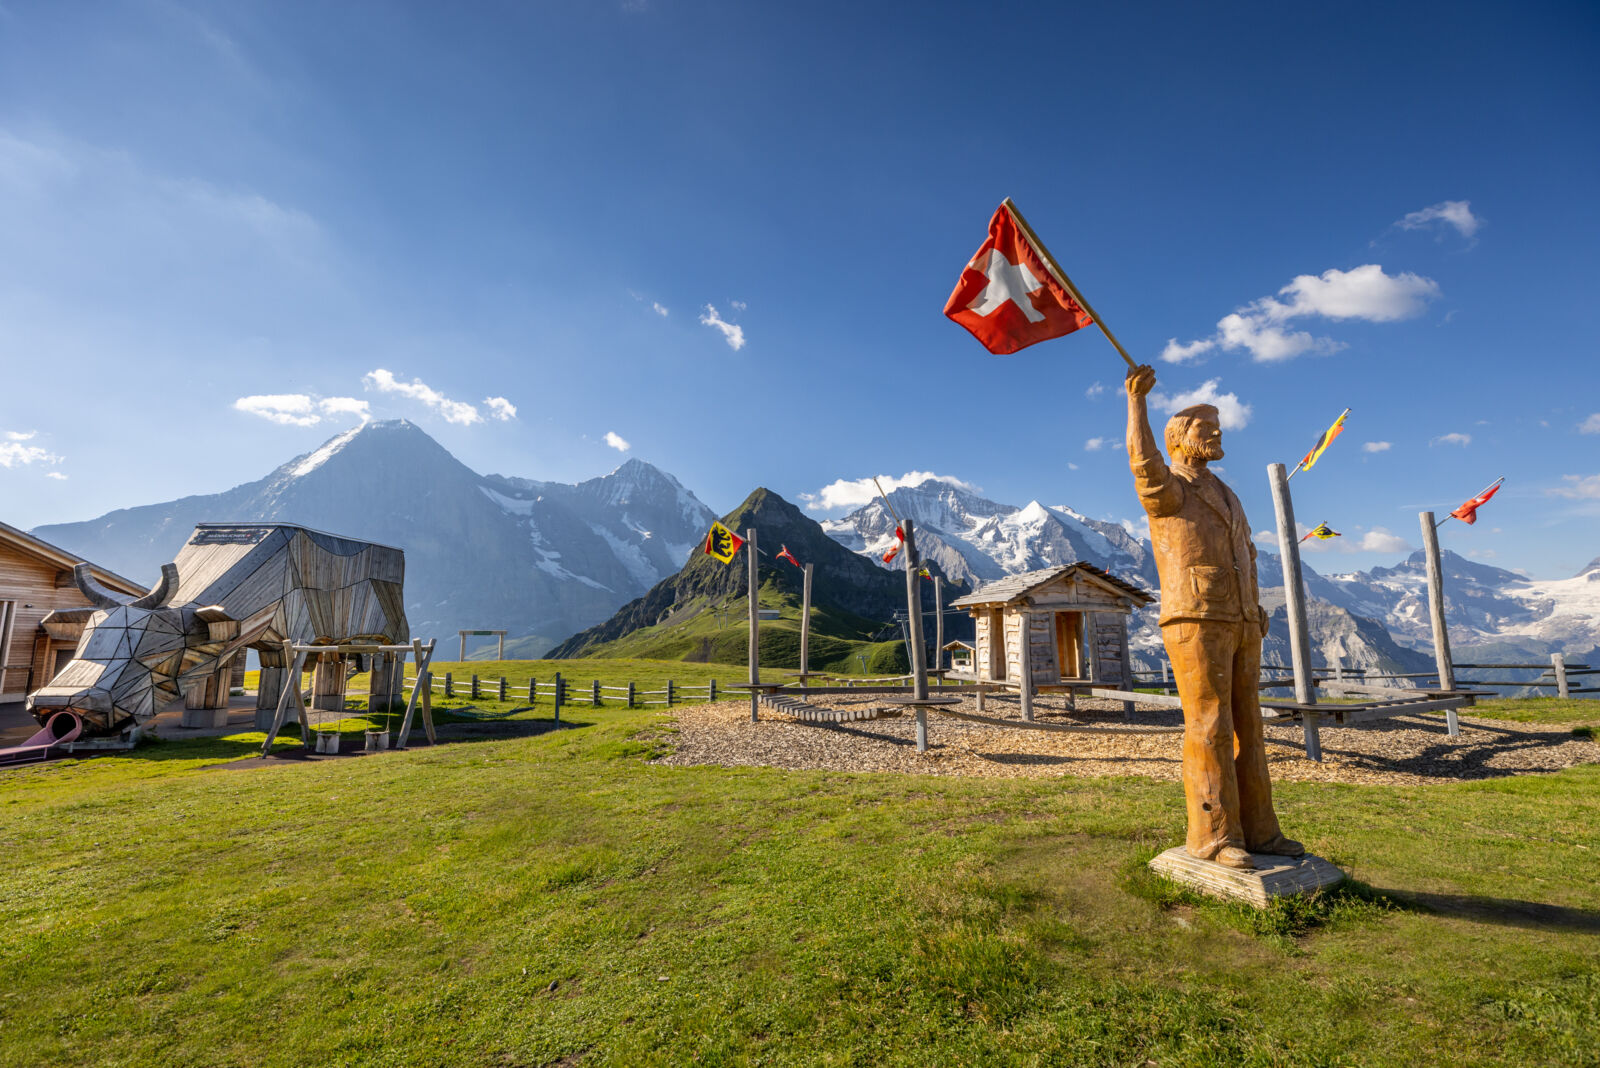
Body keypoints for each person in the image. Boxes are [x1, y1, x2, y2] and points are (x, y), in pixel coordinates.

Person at [1124, 363, 1302, 869]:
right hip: (1196, 617)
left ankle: (1261, 831)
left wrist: (1253, 608)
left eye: (1217, 426)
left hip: (1241, 619)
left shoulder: (1224, 490)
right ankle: (1215, 836)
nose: (1218, 433)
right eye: (1206, 427)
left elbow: (1242, 550)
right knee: (1210, 725)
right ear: (1178, 438)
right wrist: (1136, 401)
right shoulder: (1171, 487)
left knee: (1250, 725)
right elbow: (1143, 464)